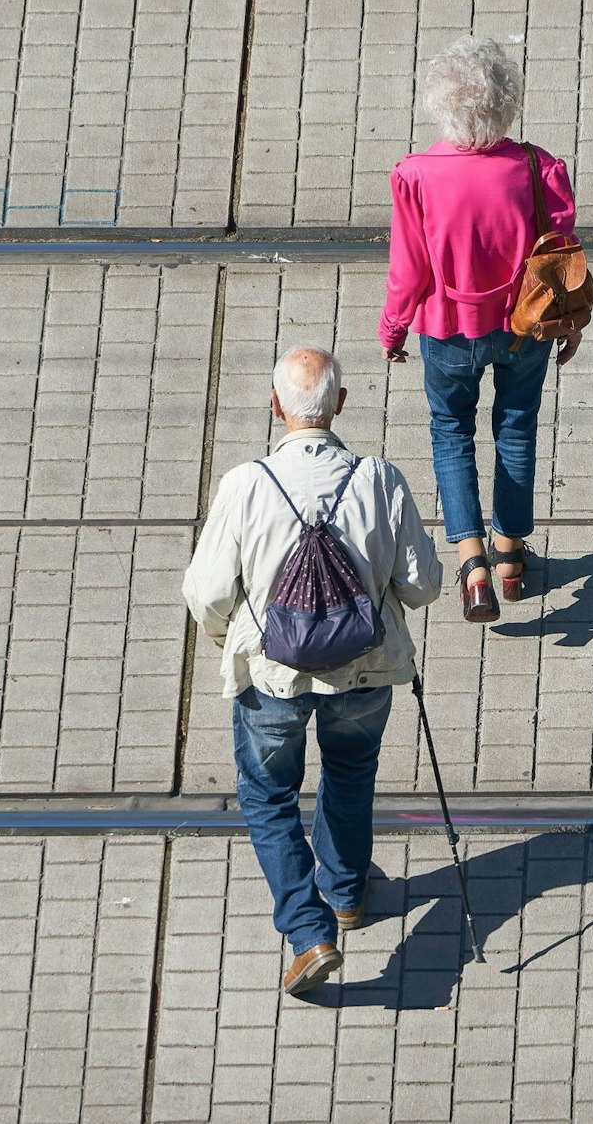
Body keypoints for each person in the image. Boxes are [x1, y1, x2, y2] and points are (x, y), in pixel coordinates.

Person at [182, 345, 442, 995]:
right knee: (351, 774)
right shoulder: (380, 479)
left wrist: (232, 639)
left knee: (269, 799)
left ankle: (309, 931)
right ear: (341, 405)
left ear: (275, 407)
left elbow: (207, 592)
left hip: (273, 677)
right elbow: (422, 585)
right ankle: (348, 893)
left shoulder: (246, 484)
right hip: (365, 669)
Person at [380, 35, 581, 624]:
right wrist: (568, 324)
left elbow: (408, 268)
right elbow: (562, 255)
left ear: (441, 105)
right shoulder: (538, 168)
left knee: (451, 432)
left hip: (447, 330)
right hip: (525, 327)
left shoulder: (415, 175)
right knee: (516, 431)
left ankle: (472, 566)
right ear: (507, 101)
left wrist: (393, 329)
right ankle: (512, 557)